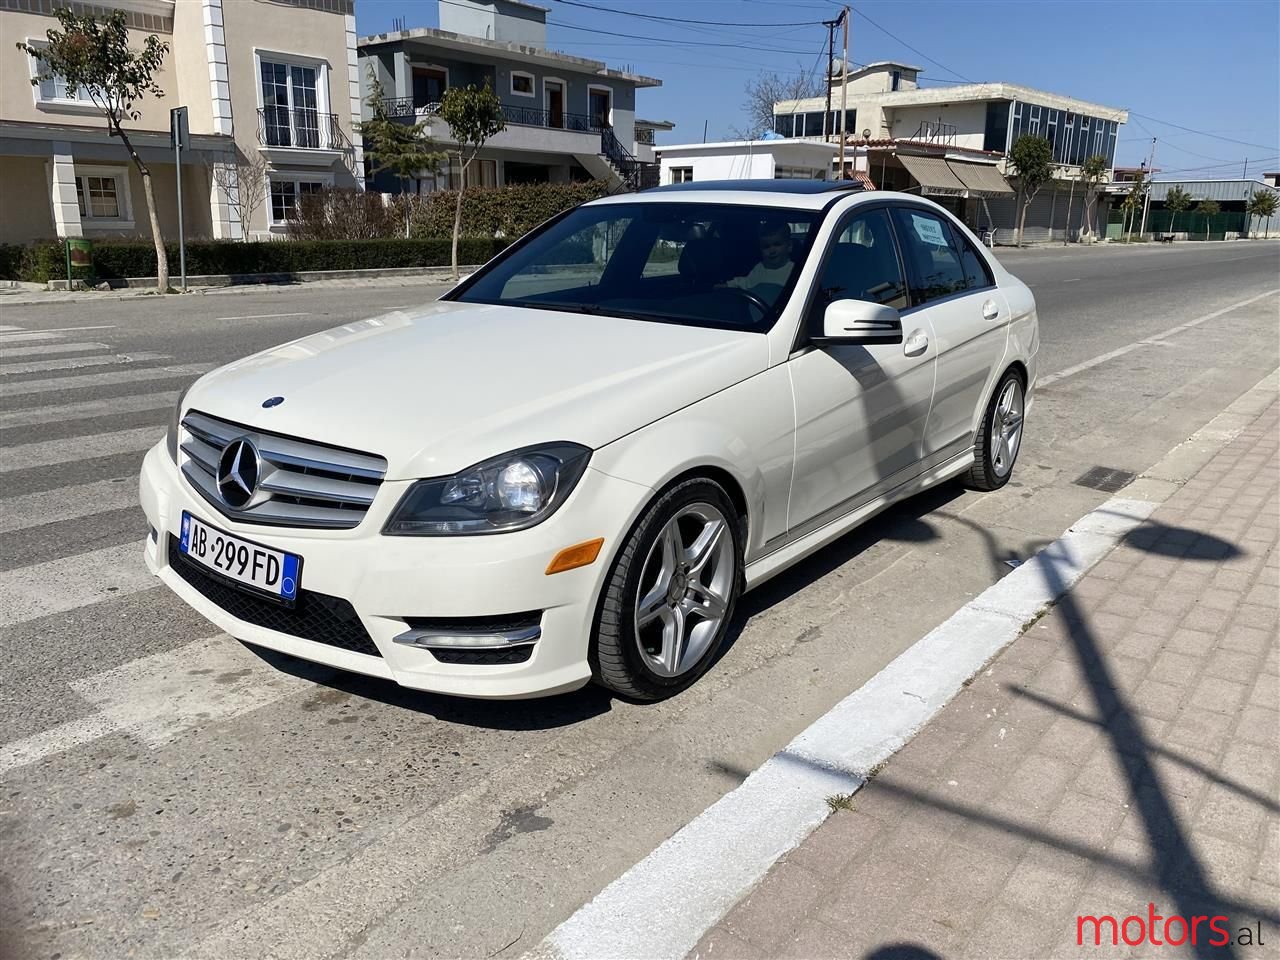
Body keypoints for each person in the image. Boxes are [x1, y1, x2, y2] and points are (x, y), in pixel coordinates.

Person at [725, 220, 794, 303]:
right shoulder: (759, 268)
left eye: (777, 244)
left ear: (789, 246)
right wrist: (726, 285)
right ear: (760, 250)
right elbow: (746, 283)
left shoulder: (794, 270)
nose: (772, 250)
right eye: (766, 247)